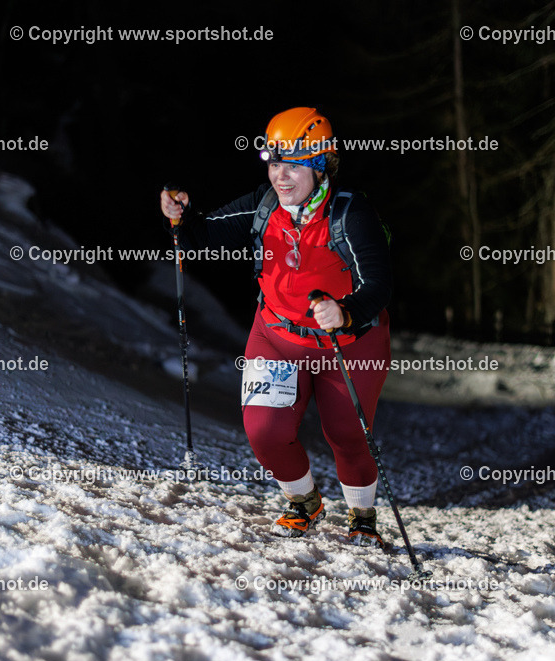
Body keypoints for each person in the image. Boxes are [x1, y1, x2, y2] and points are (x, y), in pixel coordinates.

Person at [159, 107, 392, 547]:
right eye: (273, 163)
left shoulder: (349, 213)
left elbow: (379, 284)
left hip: (350, 342)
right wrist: (180, 216)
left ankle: (363, 516)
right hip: (277, 336)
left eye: (293, 165)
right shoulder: (263, 206)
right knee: (264, 431)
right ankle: (305, 501)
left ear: (321, 164)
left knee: (346, 435)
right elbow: (197, 238)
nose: (280, 176)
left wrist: (346, 311)